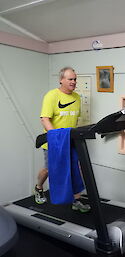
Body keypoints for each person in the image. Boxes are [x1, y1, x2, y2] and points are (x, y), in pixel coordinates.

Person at [34, 67, 91, 213]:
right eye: (70, 79)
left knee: (74, 170)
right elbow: (44, 119)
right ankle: (39, 187)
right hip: (53, 142)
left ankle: (76, 200)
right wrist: (56, 138)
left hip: (70, 141)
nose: (73, 82)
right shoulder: (52, 96)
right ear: (61, 80)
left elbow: (72, 121)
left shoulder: (77, 97)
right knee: (49, 170)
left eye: (75, 79)